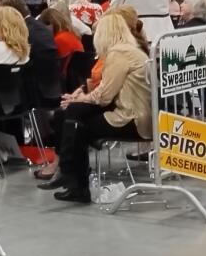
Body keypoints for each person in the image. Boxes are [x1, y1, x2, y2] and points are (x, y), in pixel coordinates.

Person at [39, 13, 151, 203]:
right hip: (137, 113)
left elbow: (104, 95)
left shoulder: (119, 54)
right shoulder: (131, 51)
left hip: (130, 117)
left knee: (76, 124)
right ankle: (71, 177)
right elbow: (104, 89)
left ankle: (71, 176)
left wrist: (80, 99)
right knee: (72, 116)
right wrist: (80, 98)